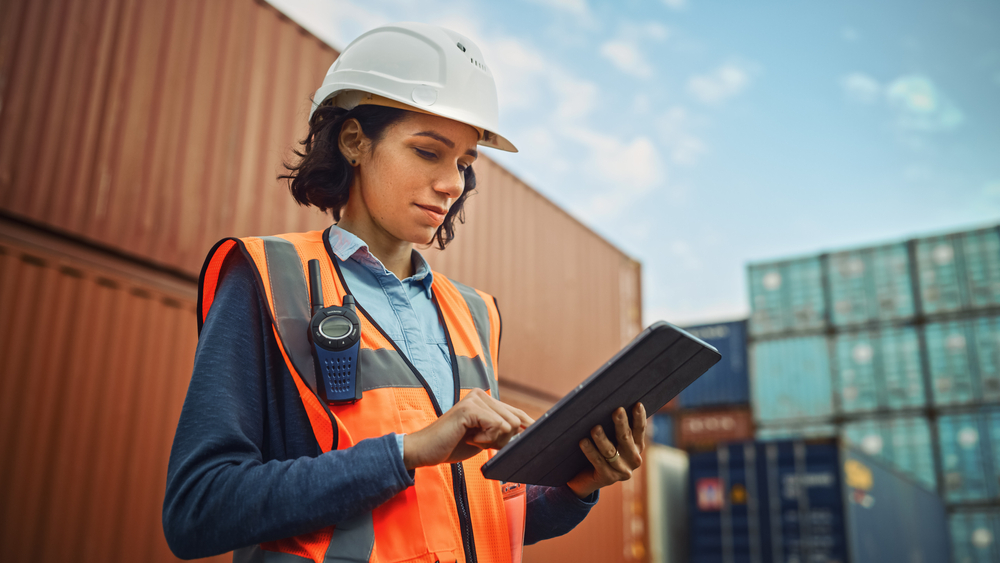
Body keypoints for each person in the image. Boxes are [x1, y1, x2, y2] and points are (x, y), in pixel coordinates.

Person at [163, 22, 647, 563]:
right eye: (427, 152)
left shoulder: (475, 314)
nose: (453, 184)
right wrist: (407, 452)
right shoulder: (268, 278)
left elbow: (463, 516)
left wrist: (578, 483)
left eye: (464, 163)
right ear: (354, 142)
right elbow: (197, 510)